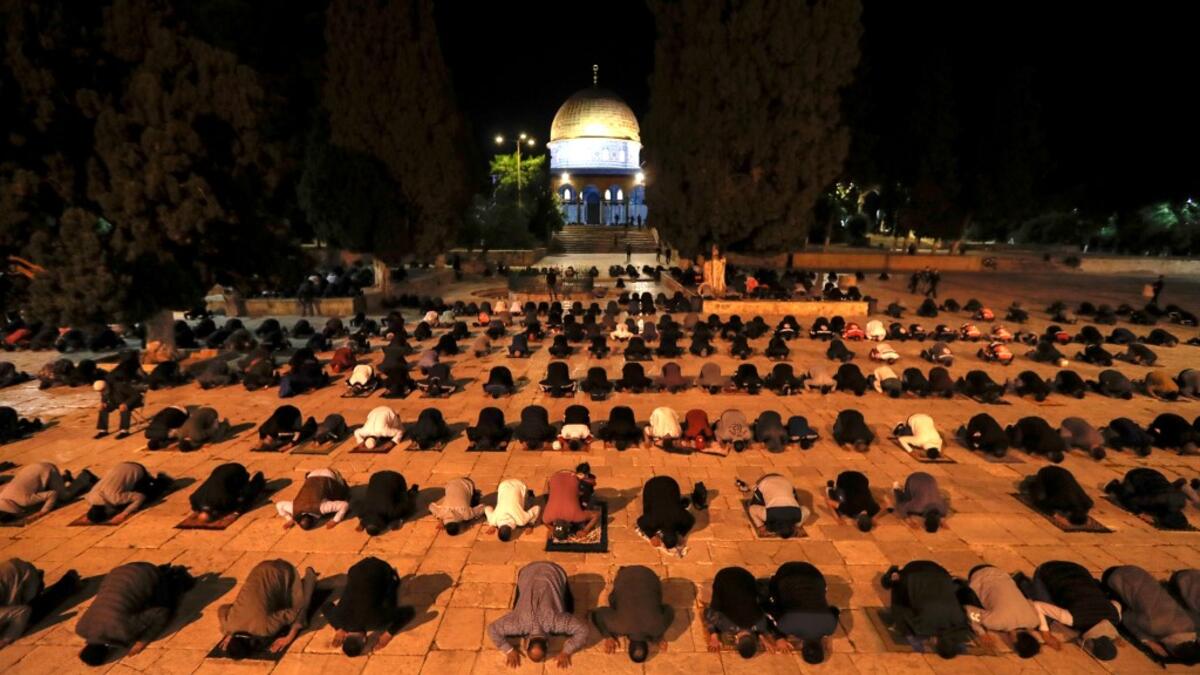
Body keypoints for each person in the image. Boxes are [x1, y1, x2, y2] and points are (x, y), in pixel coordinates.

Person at [74, 561, 194, 665]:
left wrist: (143, 641)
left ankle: (178, 575)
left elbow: (160, 613)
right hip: (119, 572)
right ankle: (162, 572)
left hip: (146, 574)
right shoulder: (81, 628)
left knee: (167, 603)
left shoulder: (124, 631)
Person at [487, 561, 588, 668]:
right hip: (527, 571)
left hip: (555, 571)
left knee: (570, 609)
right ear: (526, 644)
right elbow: (492, 629)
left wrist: (566, 652)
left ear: (548, 644)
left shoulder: (556, 622)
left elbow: (583, 629)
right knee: (516, 608)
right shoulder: (518, 623)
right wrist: (508, 650)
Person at [219, 559, 317, 659]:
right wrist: (229, 631)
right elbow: (223, 608)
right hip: (260, 567)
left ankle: (310, 580)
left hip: (282, 571)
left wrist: (289, 637)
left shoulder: (265, 629)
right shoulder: (229, 625)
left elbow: (293, 613)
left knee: (300, 610)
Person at [1102, 565, 1200, 664]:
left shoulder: (1191, 624)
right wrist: (1149, 642)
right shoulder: (1155, 625)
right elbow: (1127, 619)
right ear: (1173, 651)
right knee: (1118, 611)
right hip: (1115, 577)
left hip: (1135, 571)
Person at [1025, 560, 1120, 661]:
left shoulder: (1115, 616)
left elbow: (1116, 603)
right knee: (1046, 617)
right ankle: (1022, 582)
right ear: (1090, 642)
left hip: (1079, 569)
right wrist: (1045, 633)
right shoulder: (1072, 618)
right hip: (1049, 569)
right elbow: (1038, 606)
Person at [962, 564, 1058, 658]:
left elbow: (1031, 603)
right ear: (1014, 640)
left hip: (1000, 572)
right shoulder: (995, 623)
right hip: (978, 574)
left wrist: (1046, 632)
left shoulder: (1034, 621)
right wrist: (981, 633)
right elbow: (969, 610)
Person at [880, 560, 969, 659]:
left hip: (939, 572)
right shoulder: (923, 627)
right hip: (911, 573)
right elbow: (907, 616)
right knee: (898, 600)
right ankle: (893, 576)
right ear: (936, 642)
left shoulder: (960, 622)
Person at [326, 557, 413, 657]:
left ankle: (392, 579)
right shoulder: (338, 618)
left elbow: (408, 612)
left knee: (390, 604)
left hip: (381, 568)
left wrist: (388, 634)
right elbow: (326, 606)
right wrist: (337, 627)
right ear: (345, 636)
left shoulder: (376, 622)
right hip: (356, 568)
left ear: (363, 640)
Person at [591, 565, 673, 663]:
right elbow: (598, 614)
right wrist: (607, 636)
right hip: (624, 576)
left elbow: (669, 609)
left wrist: (658, 634)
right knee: (613, 601)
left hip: (650, 575)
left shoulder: (658, 627)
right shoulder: (619, 626)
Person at [0, 558, 82, 648]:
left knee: (33, 615)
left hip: (25, 575)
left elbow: (22, 611)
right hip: (13, 573)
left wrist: (5, 640)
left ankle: (70, 582)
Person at [767, 562, 839, 663]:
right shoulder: (789, 626)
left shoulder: (830, 627)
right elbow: (771, 613)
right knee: (773, 599)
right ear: (802, 646)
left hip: (813, 573)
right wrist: (779, 638)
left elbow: (834, 609)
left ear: (822, 646)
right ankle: (773, 579)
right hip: (786, 573)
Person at [703, 566, 774, 658]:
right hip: (723, 577)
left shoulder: (761, 623)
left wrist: (763, 637)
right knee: (715, 606)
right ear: (736, 640)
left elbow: (758, 627)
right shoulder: (726, 625)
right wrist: (714, 636)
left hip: (746, 575)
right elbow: (707, 612)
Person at [0, 461, 97, 523]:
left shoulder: (24, 500)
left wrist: (43, 511)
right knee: (47, 490)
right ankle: (65, 477)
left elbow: (52, 494)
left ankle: (85, 477)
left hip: (47, 470)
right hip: (33, 468)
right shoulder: (3, 496)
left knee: (64, 496)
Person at [84, 462, 172, 524]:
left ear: (106, 510)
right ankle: (154, 480)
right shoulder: (90, 497)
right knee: (123, 500)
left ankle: (163, 481)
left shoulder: (115, 498)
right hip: (121, 465)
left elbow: (140, 497)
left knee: (147, 497)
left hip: (137, 469)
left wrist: (125, 513)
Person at [1104, 468, 1190, 529]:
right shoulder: (1153, 501)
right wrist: (1140, 513)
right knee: (1126, 496)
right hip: (1136, 475)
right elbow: (1130, 501)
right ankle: (1115, 486)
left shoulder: (1181, 501)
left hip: (1157, 475)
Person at [189, 463, 266, 523]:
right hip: (219, 469)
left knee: (247, 494)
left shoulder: (224, 500)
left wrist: (236, 513)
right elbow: (195, 508)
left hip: (237, 471)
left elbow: (241, 503)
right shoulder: (195, 499)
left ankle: (258, 480)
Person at [275, 468, 350, 530]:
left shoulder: (321, 508)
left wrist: (336, 520)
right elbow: (279, 505)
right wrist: (289, 518)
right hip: (312, 475)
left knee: (344, 494)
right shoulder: (294, 507)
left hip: (330, 474)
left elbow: (345, 505)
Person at [1022, 466, 1093, 527]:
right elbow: (1040, 503)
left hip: (1064, 474)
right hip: (1047, 473)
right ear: (1069, 513)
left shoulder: (1087, 503)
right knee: (1039, 497)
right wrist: (1056, 516)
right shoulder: (1062, 501)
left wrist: (1083, 519)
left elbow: (1088, 507)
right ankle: (1032, 481)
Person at [635, 476, 694, 550]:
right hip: (651, 485)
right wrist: (651, 536)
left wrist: (682, 533)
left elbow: (691, 520)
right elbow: (640, 521)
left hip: (671, 482)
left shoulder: (680, 517)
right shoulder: (654, 520)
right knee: (647, 510)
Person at [542, 469, 600, 541]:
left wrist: (585, 531)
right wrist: (551, 529)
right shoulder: (548, 516)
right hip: (554, 476)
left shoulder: (576, 516)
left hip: (575, 475)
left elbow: (596, 514)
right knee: (545, 497)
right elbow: (544, 522)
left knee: (588, 495)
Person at [357, 471, 419, 536]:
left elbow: (408, 507)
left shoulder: (391, 512)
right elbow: (355, 504)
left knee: (402, 500)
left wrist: (401, 519)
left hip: (396, 478)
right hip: (376, 476)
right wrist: (362, 523)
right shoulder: (362, 512)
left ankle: (411, 493)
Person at [745, 473, 807, 538]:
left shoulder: (797, 515)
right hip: (766, 482)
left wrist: (760, 526)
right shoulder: (768, 515)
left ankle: (762, 526)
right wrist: (760, 526)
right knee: (755, 504)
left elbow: (806, 511)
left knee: (753, 508)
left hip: (785, 483)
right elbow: (752, 509)